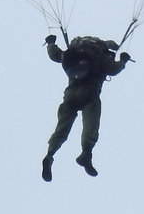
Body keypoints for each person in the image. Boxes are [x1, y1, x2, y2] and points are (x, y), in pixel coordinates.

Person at [41, 33, 131, 181]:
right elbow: (113, 69)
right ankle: (86, 153)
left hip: (70, 96)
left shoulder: (74, 53)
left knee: (61, 128)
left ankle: (49, 155)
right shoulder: (100, 56)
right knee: (91, 126)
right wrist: (123, 60)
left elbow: (55, 55)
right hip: (90, 95)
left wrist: (51, 43)